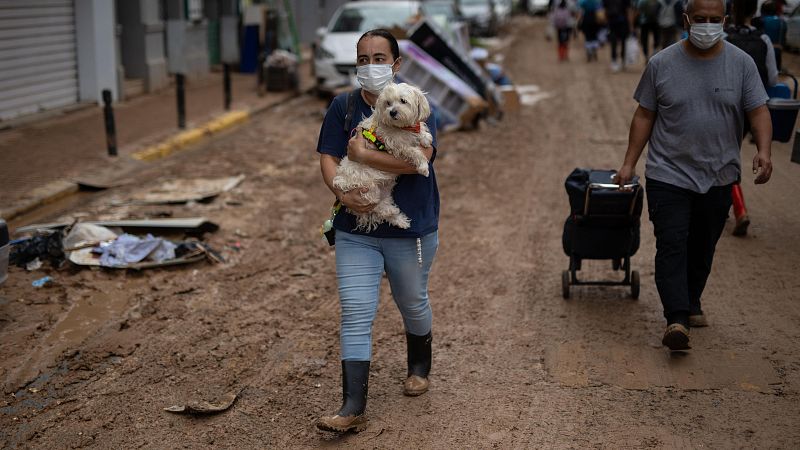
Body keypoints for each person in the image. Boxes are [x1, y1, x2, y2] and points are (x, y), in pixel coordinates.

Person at [614, 0, 773, 349]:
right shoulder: (662, 63)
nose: (707, 25)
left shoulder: (741, 65)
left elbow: (758, 111)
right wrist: (629, 163)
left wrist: (763, 150)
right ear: (686, 19)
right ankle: (677, 319)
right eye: (700, 19)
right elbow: (644, 116)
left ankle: (691, 299)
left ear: (725, 21)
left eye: (715, 20)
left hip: (718, 174)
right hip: (668, 173)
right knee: (672, 242)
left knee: (702, 245)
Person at [315, 29, 440, 433]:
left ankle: (419, 365)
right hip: (356, 227)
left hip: (410, 228)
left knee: (412, 301)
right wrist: (342, 191)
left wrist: (364, 154)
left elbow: (420, 159)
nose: (371, 66)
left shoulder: (417, 105)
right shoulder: (343, 106)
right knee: (355, 311)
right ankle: (352, 405)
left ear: (396, 64)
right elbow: (329, 157)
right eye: (363, 58)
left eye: (379, 58)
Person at [725, 0, 779, 236]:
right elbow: (774, 78)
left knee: (725, 157)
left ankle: (739, 209)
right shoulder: (764, 39)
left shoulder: (724, 39)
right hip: (753, 109)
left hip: (727, 108)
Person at [603, 0, 636, 71]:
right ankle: (623, 61)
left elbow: (605, 10)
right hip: (623, 23)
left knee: (613, 42)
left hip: (612, 23)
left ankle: (614, 61)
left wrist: (606, 23)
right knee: (623, 42)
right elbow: (629, 11)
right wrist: (631, 25)